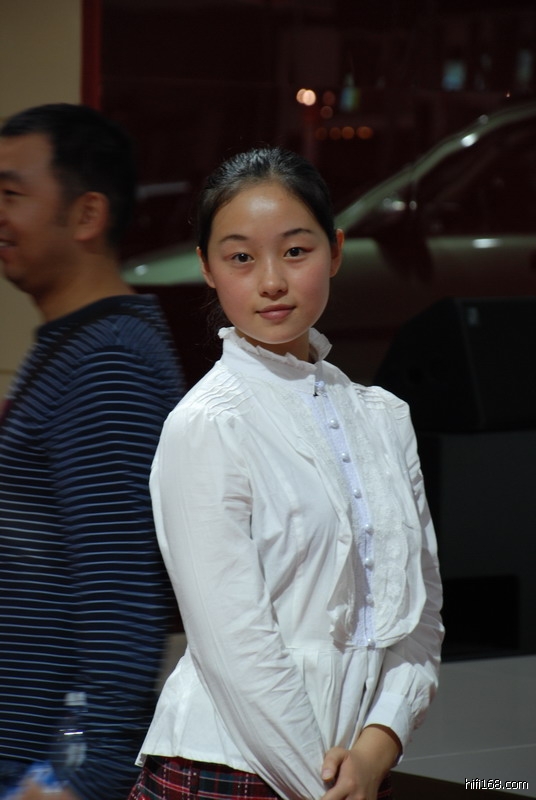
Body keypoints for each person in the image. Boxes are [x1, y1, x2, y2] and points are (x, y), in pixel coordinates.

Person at [129, 146, 444, 800]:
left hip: (350, 776)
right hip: (223, 774)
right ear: (207, 268)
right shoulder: (207, 424)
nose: (271, 281)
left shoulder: (384, 417)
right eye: (241, 258)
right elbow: (234, 648)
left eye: (295, 251)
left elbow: (420, 618)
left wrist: (376, 748)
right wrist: (323, 786)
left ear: (335, 250)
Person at [0, 103, 186, 800]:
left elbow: (121, 594)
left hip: (43, 777)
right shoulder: (78, 345)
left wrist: (83, 778)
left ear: (86, 215)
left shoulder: (109, 363)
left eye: (12, 195)